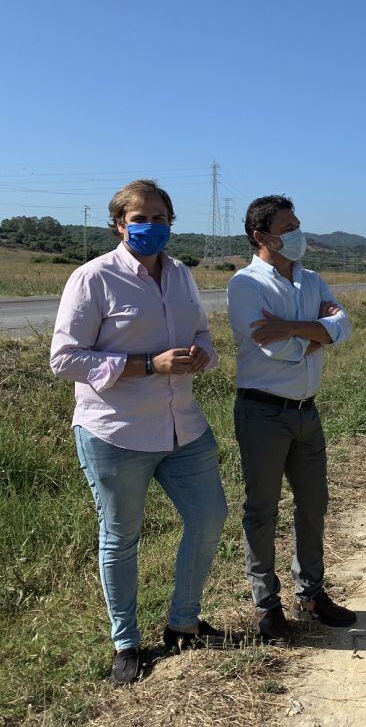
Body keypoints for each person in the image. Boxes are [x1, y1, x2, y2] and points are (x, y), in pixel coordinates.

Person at [50, 179, 229, 685]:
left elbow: (202, 337)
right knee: (121, 537)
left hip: (182, 425)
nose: (150, 227)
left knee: (210, 517)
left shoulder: (182, 277)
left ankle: (183, 623)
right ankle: (125, 643)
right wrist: (147, 364)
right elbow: (65, 359)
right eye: (140, 218)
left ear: (172, 223)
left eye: (160, 218)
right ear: (119, 223)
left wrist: (200, 355)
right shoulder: (93, 278)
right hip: (115, 431)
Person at [226, 195, 355, 644]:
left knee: (313, 503)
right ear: (262, 236)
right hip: (263, 411)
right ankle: (268, 606)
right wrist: (317, 333)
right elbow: (272, 349)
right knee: (262, 510)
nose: (299, 233)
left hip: (306, 411)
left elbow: (345, 326)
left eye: (298, 223)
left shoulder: (311, 280)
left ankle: (312, 594)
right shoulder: (246, 285)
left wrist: (295, 327)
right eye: (289, 226)